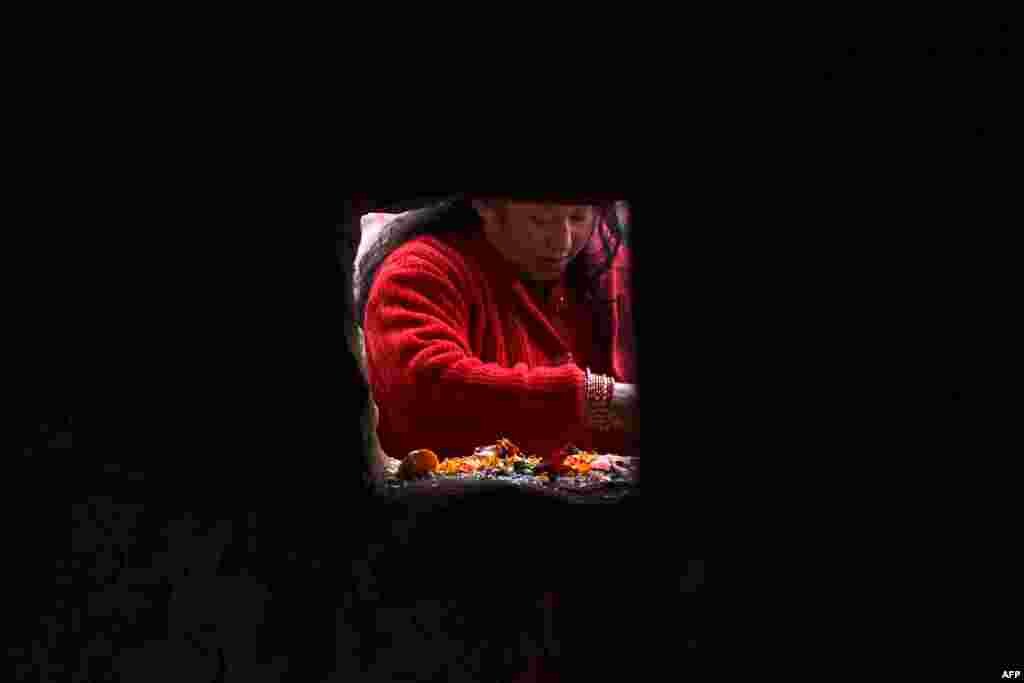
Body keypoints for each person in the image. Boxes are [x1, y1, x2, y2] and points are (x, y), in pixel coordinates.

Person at [356, 196, 640, 465]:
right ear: (486, 204)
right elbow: (425, 388)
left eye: (578, 217)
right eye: (539, 221)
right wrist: (599, 400)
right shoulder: (419, 272)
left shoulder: (611, 271)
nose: (562, 242)